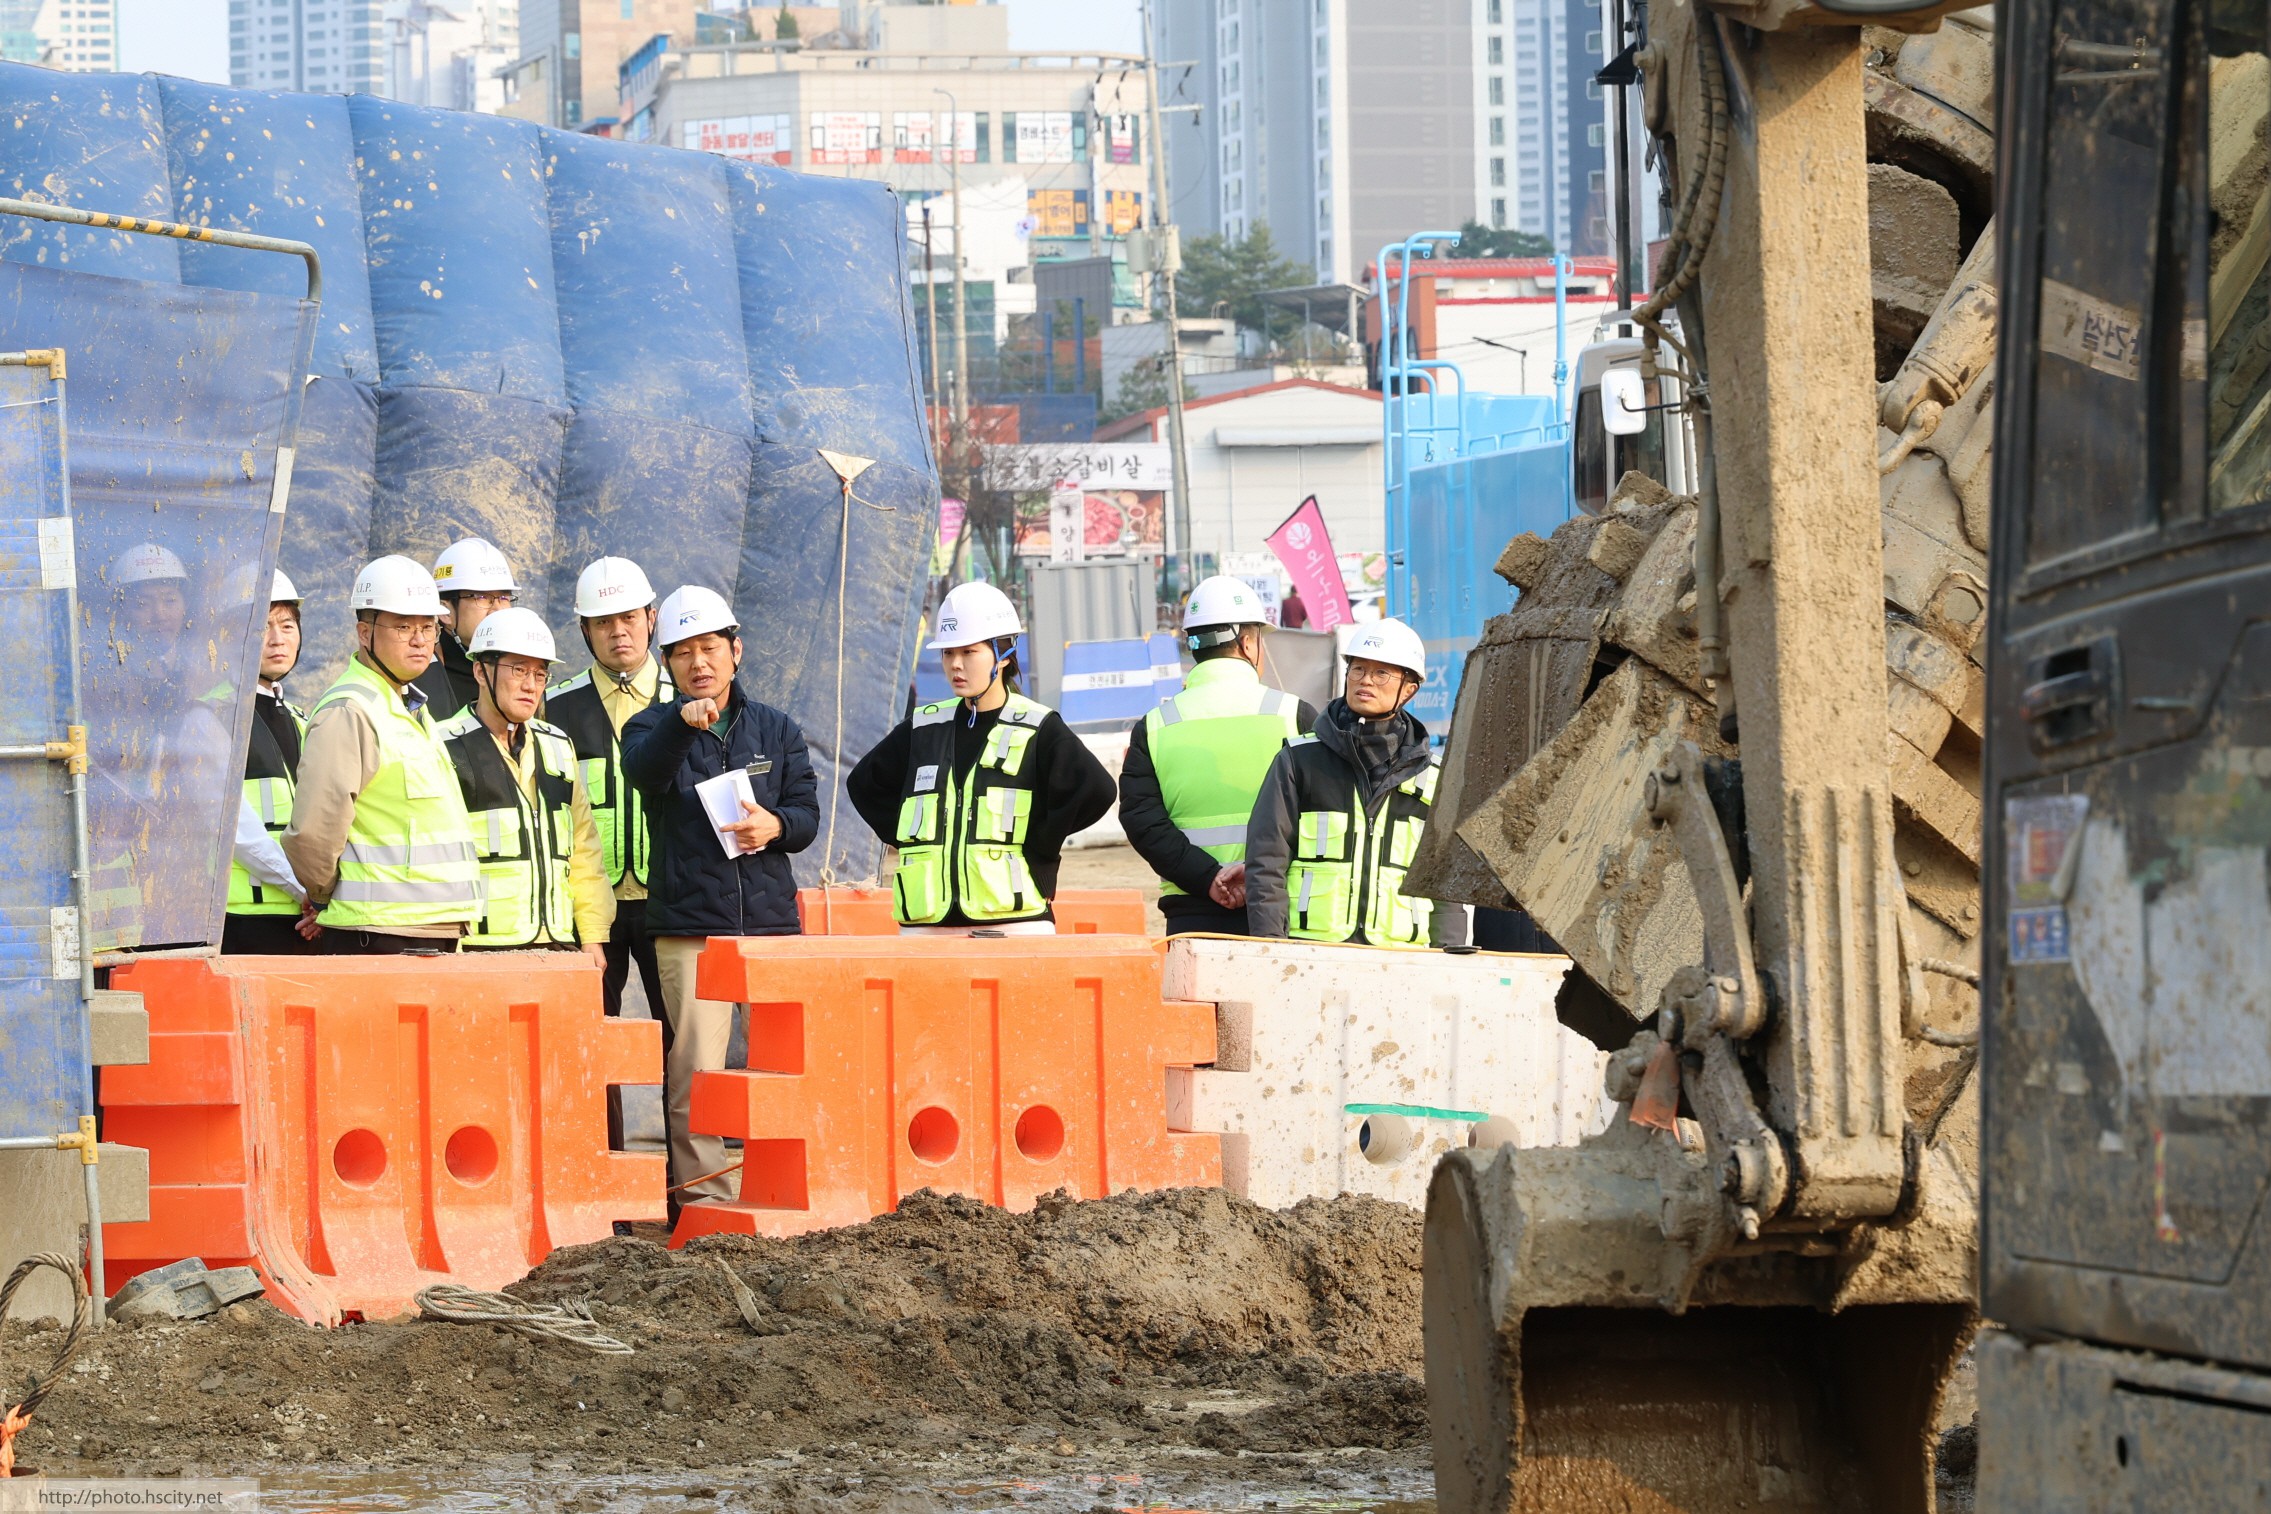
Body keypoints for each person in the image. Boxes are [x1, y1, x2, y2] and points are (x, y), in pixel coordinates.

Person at [622, 585, 818, 1214]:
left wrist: (777, 827)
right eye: (681, 653)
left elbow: (808, 814)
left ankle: (779, 1189)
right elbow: (645, 775)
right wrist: (681, 726)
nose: (698, 662)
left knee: (781, 1068)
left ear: (736, 651)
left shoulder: (776, 729)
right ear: (669, 665)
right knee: (696, 1072)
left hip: (769, 929)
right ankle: (708, 1203)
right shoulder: (650, 726)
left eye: (709, 648)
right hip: (690, 930)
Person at [846, 581, 1114, 934]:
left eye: (969, 652)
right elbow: (864, 784)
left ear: (1003, 654)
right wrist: (917, 842)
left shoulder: (1037, 726)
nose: (956, 665)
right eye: (948, 654)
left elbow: (1097, 791)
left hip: (1015, 925)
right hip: (927, 925)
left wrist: (1039, 846)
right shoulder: (924, 726)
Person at [282, 555, 483, 954]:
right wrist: (323, 898)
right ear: (364, 632)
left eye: (428, 627)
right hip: (380, 935)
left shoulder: (412, 710)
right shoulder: (350, 710)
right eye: (404, 626)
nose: (419, 639)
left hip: (430, 931)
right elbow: (313, 833)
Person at [1245, 618, 1466, 948]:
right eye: (1359, 669)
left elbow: (1446, 886)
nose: (1366, 681)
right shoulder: (1299, 760)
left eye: (1381, 674)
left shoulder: (1433, 776)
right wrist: (1270, 948)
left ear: (1410, 688)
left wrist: (1446, 963)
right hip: (1311, 952)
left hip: (1404, 963)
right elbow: (1266, 863)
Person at [1118, 575, 1313, 936]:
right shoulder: (1294, 715)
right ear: (1248, 641)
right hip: (1282, 907)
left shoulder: (1156, 726)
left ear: (1193, 643)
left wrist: (1207, 877)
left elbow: (1141, 820)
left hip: (1192, 914)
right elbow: (1325, 814)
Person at [435, 607, 614, 956]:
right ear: (480, 671)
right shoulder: (443, 746)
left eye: (540, 673)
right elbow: (439, 864)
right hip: (478, 952)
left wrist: (592, 935)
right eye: (518, 670)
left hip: (557, 946)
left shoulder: (558, 745)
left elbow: (584, 851)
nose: (531, 685)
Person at [546, 558, 675, 1031]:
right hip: (590, 909)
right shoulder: (554, 708)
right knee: (590, 1039)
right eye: (603, 622)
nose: (618, 631)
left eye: (629, 618)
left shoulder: (685, 702)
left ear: (651, 619)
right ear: (584, 629)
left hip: (669, 902)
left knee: (681, 1041)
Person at [222, 570, 316, 953]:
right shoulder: (213, 714)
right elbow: (238, 830)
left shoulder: (301, 719)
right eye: (262, 627)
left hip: (303, 916)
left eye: (287, 625)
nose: (277, 639)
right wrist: (306, 891)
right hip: (241, 921)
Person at [414, 537, 519, 718]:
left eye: (504, 598)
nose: (497, 610)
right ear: (445, 611)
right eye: (482, 598)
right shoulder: (417, 680)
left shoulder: (523, 678)